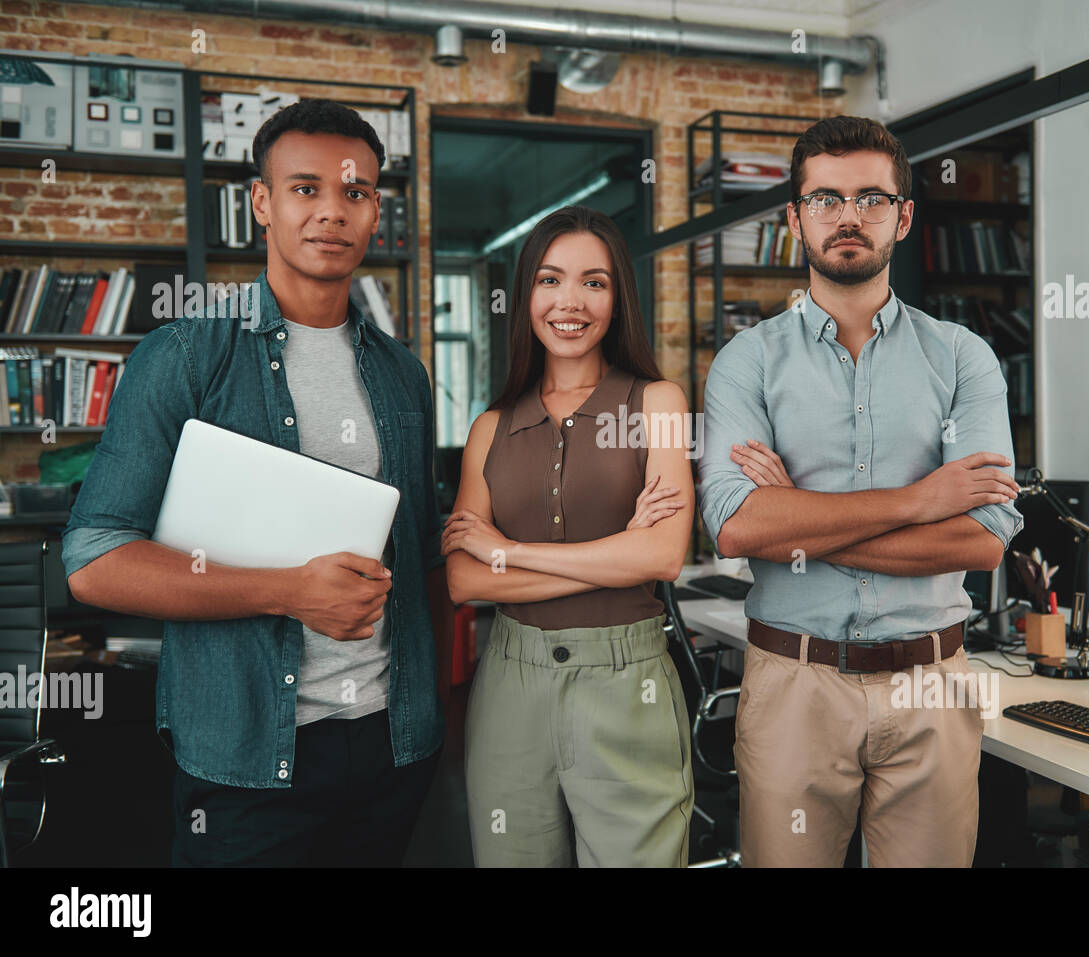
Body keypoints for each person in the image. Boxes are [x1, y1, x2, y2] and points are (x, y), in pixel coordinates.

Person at [62, 98, 445, 866]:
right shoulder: (184, 356)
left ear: (377, 213)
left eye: (356, 192)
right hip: (247, 757)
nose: (333, 212)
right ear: (261, 204)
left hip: (390, 746)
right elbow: (94, 559)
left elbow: (420, 559)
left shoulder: (405, 374)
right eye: (306, 189)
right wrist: (288, 590)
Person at [697, 114, 1024, 867]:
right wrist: (923, 497)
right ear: (795, 218)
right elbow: (740, 529)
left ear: (903, 216)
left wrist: (801, 518)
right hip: (794, 684)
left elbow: (982, 537)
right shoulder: (746, 363)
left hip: (932, 685)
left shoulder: (963, 357)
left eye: (871, 199)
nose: (848, 217)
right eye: (826, 199)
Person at [442, 205, 695, 867]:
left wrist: (511, 552)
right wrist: (619, 555)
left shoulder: (659, 403)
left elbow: (665, 553)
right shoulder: (490, 426)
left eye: (595, 282)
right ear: (526, 293)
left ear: (619, 298)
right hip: (509, 688)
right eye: (550, 280)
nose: (570, 301)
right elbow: (466, 580)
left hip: (626, 682)